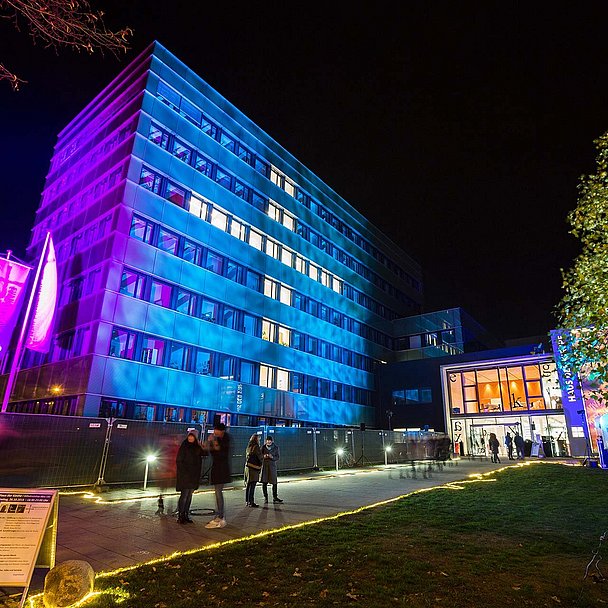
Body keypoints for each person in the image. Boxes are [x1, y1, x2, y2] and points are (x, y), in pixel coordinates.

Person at [203, 422, 232, 529]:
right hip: (215, 468)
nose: (215, 432)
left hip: (222, 469)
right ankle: (219, 514)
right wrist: (208, 441)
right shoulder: (217, 438)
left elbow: (219, 450)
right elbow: (207, 450)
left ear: (221, 431)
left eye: (216, 430)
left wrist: (213, 441)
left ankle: (220, 515)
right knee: (217, 492)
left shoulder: (226, 439)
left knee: (218, 492)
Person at [175, 430, 203, 524]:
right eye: (190, 436)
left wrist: (202, 446)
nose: (191, 438)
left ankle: (186, 514)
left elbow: (204, 454)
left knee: (189, 495)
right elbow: (179, 460)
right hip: (185, 475)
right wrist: (184, 472)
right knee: (184, 495)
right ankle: (181, 515)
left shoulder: (197, 447)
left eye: (193, 436)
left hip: (194, 475)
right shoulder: (184, 446)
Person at [261, 435, 283, 504]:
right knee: (264, 482)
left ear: (272, 441)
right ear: (266, 441)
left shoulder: (276, 448)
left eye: (270, 441)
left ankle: (275, 497)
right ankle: (265, 497)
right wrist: (264, 456)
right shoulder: (263, 447)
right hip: (265, 466)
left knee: (274, 482)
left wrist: (272, 457)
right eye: (267, 441)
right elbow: (259, 456)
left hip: (272, 466)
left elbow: (277, 457)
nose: (268, 442)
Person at [244, 434, 263, 507]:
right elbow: (260, 457)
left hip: (248, 467)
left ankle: (247, 501)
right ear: (256, 439)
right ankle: (251, 502)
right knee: (252, 485)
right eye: (258, 439)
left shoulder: (249, 447)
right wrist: (261, 462)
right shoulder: (256, 447)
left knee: (248, 485)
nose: (259, 440)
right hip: (254, 468)